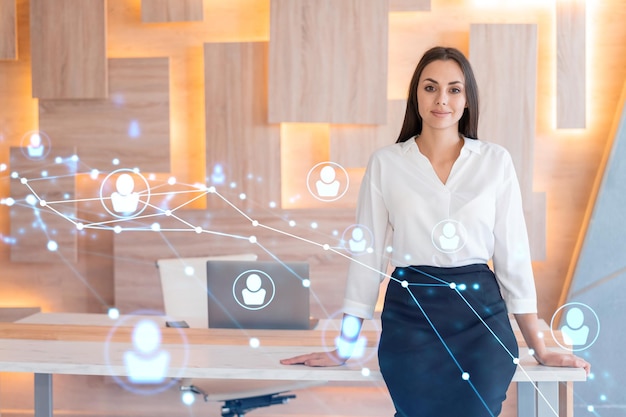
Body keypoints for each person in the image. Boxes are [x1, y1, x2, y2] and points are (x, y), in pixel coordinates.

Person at [280, 46, 590, 416]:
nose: (442, 99)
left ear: (467, 100)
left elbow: (513, 258)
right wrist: (345, 346)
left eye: (454, 89)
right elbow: (367, 258)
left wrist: (538, 347)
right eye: (430, 87)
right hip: (411, 316)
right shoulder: (386, 163)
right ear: (415, 95)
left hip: (481, 319)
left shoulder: (495, 162)